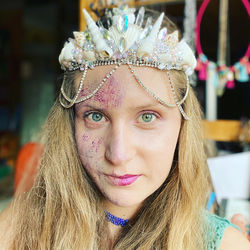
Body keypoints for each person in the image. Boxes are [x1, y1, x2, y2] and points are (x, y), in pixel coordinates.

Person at [0, 5, 249, 250]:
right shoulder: (21, 227)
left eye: (148, 117)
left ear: (183, 126)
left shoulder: (224, 245)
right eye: (96, 116)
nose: (118, 155)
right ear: (70, 123)